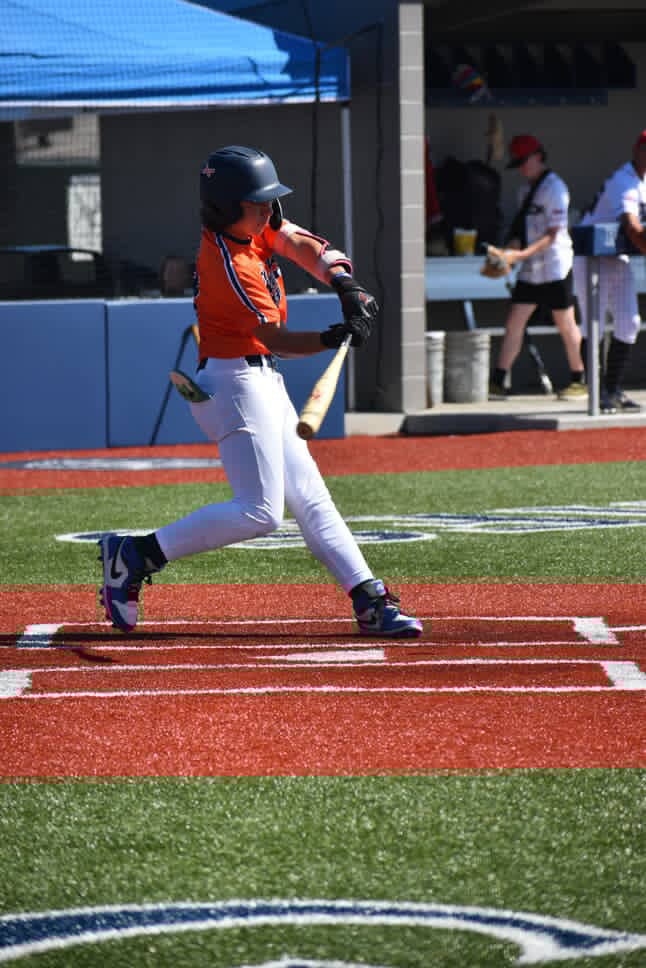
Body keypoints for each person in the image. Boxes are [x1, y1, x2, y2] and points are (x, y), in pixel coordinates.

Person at [98, 145, 422, 640]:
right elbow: (276, 342)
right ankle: (135, 555)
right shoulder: (229, 263)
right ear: (228, 207)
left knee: (311, 497)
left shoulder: (254, 225)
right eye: (258, 203)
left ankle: (369, 599)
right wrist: (330, 338)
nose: (269, 210)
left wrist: (345, 285)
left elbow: (300, 243)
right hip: (234, 384)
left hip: (261, 379)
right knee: (260, 511)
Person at [488, 134, 585, 400]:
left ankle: (579, 379)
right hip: (532, 269)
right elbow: (523, 231)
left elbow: (552, 235)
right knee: (515, 320)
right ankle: (498, 380)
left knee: (565, 321)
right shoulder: (524, 191)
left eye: (524, 161)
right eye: (517, 163)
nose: (522, 168)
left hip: (555, 266)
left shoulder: (556, 188)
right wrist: (506, 253)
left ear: (538, 157)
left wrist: (519, 256)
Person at [573, 130, 646, 413]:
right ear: (637, 150)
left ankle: (613, 389)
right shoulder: (624, 181)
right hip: (591, 257)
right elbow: (633, 230)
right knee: (594, 326)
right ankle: (598, 392)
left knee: (629, 323)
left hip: (617, 257)